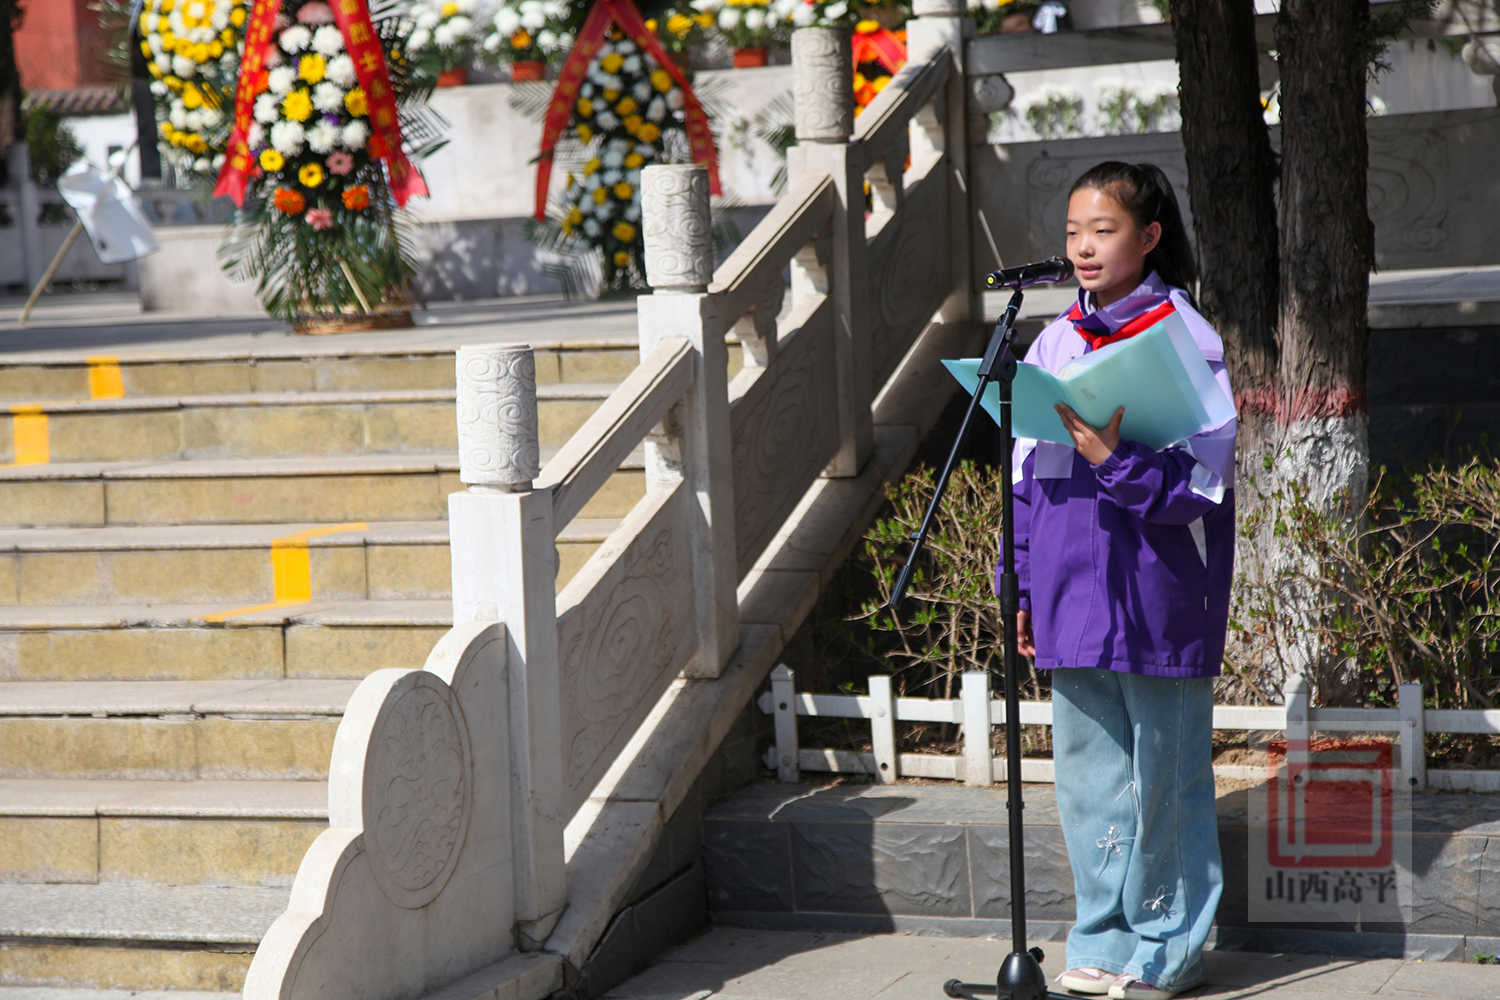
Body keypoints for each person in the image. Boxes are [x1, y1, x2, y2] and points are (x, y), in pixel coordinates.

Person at [1005, 161, 1236, 1000]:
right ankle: (1101, 939)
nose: (1084, 248)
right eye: (1073, 233)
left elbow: (1202, 486)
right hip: (1071, 590)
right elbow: (1026, 477)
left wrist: (1112, 458)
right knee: (1088, 777)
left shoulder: (1185, 339)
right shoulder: (1053, 340)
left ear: (1149, 237)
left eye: (1103, 231)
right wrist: (1021, 585)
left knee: (1165, 778)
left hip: (1159, 590)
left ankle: (1169, 947)